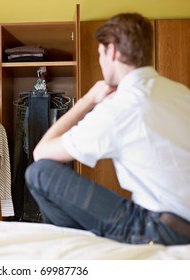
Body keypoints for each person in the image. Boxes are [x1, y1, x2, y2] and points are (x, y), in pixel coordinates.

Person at [25, 13, 190, 245]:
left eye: (100, 54)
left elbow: (41, 154)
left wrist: (87, 100)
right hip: (181, 220)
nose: (101, 61)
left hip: (162, 230)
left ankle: (75, 248)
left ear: (112, 51)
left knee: (39, 173)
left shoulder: (121, 106)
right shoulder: (181, 93)